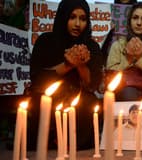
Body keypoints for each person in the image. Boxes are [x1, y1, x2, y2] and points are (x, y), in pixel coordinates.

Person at [29, 0, 103, 150]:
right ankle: (51, 140)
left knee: (92, 105)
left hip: (78, 99)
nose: (77, 24)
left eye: (83, 19)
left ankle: (71, 142)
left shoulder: (92, 46)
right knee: (37, 102)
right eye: (72, 17)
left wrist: (80, 64)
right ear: (63, 17)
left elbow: (92, 85)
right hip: (49, 97)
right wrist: (67, 65)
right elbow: (37, 80)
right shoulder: (45, 41)